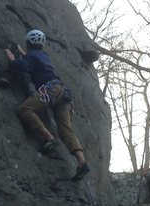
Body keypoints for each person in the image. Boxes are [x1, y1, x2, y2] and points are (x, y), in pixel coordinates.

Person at [5, 29, 90, 181]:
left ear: (29, 43)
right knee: (65, 129)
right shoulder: (44, 56)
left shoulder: (32, 56)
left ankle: (49, 138)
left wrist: (11, 57)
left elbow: (23, 66)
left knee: (24, 109)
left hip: (49, 90)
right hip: (62, 93)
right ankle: (82, 161)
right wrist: (22, 53)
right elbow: (33, 62)